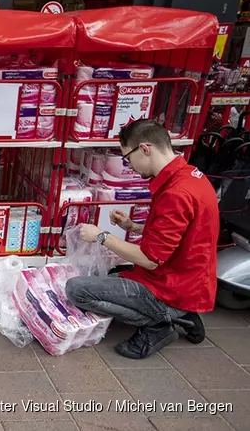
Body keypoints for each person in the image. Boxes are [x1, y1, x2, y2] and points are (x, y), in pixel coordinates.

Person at [65, 119, 220, 360]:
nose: (130, 166)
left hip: (172, 286)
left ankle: (161, 322)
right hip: (186, 280)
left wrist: (101, 236)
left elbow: (150, 260)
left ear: (145, 149)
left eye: (127, 158)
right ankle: (181, 313)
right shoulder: (189, 176)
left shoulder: (176, 193)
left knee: (77, 289)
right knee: (111, 278)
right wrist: (132, 225)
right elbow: (179, 235)